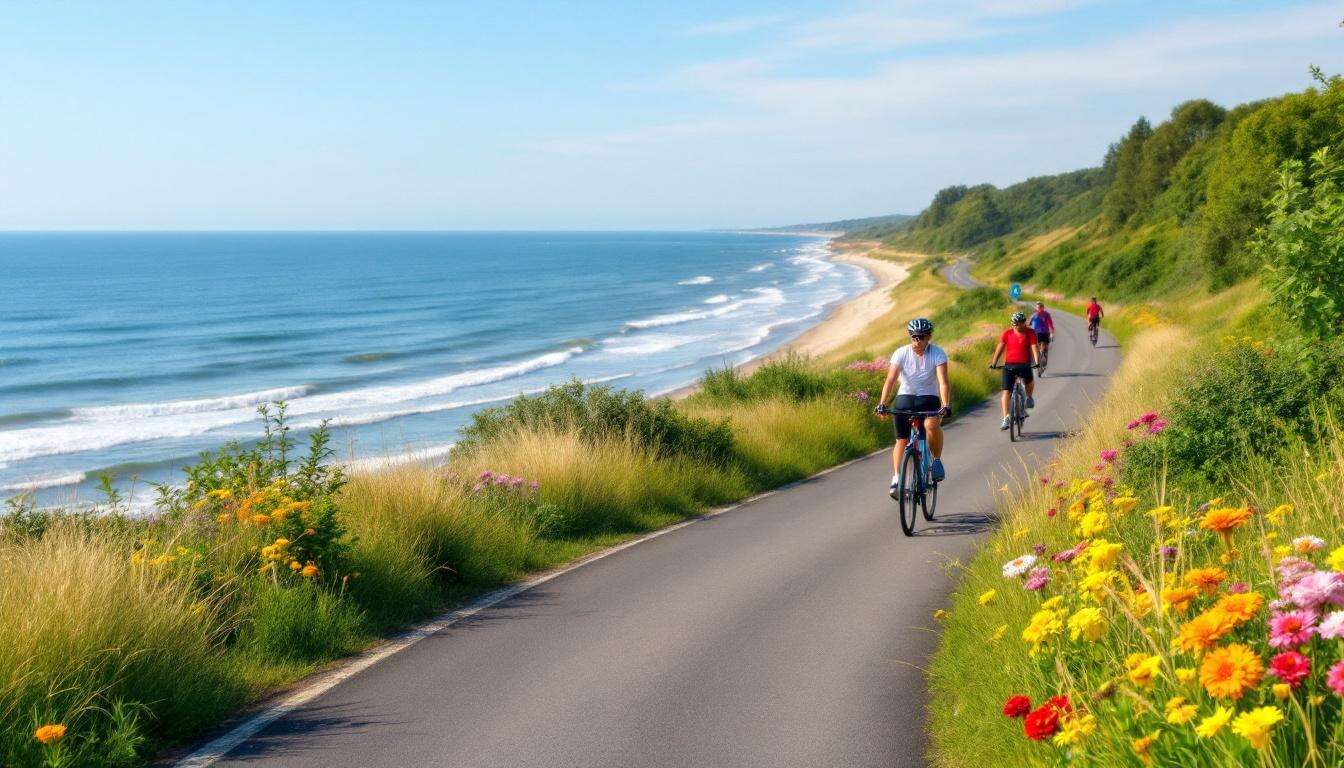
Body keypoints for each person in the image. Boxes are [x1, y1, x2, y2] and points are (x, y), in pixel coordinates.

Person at [876, 317, 952, 497]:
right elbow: (891, 380)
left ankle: (937, 461)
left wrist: (945, 404)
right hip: (906, 397)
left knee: (931, 425)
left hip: (929, 397)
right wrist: (882, 403)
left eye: (922, 337)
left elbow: (943, 382)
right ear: (911, 336)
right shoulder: (900, 353)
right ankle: (896, 478)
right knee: (901, 440)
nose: (918, 340)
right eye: (914, 337)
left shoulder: (937, 353)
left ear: (929, 336)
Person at [989, 311, 1040, 430]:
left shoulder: (1030, 333)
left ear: (1024, 323)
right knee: (1006, 391)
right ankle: (1006, 418)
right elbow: (1000, 348)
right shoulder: (1007, 333)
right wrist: (993, 363)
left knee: (1030, 382)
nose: (1016, 326)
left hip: (1024, 365)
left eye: (1019, 323)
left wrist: (1037, 362)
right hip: (1009, 366)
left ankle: (1029, 397)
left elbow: (1034, 347)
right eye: (1014, 324)